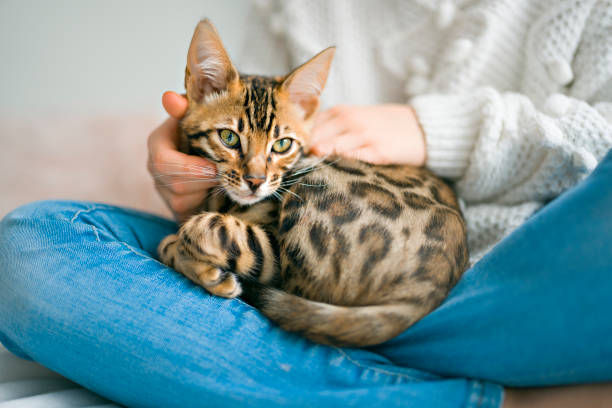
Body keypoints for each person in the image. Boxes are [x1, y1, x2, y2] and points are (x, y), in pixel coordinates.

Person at [1, 0, 612, 406]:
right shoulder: (294, 9)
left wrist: (440, 131)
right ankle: (456, 396)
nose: (257, 170)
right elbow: (259, 130)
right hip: (322, 290)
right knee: (33, 246)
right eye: (240, 146)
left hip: (501, 293)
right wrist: (190, 192)